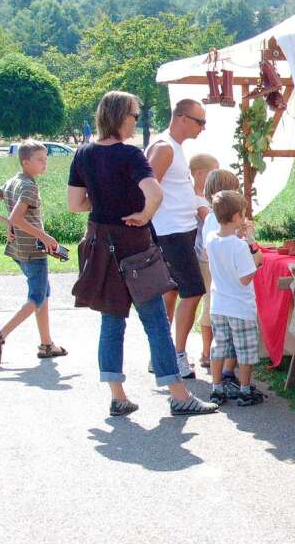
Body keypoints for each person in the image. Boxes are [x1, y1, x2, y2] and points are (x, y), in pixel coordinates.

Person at [67, 91, 217, 417]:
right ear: (122, 116)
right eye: (135, 115)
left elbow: (76, 204)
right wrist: (144, 213)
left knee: (112, 319)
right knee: (155, 322)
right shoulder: (131, 155)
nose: (138, 120)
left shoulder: (83, 155)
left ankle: (117, 395)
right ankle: (178, 395)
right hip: (133, 245)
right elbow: (154, 192)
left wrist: (106, 200)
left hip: (100, 243)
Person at [0, 141, 67, 363]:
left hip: (18, 248)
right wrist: (44, 236)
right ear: (25, 162)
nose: (45, 163)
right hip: (33, 250)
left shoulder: (12, 182)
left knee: (43, 293)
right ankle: (0, 335)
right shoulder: (28, 186)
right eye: (40, 160)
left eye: (46, 159)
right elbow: (17, 218)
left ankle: (47, 344)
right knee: (37, 297)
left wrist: (6, 223)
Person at [146, 99, 208, 379]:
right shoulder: (164, 147)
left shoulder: (173, 147)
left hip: (177, 229)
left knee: (170, 292)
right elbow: (148, 187)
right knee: (192, 291)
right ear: (182, 118)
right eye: (200, 121)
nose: (202, 128)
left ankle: (162, 354)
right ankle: (177, 355)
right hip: (170, 232)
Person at [204, 190, 265, 407]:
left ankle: (216, 386)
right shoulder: (239, 247)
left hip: (219, 304)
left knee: (220, 346)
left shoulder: (211, 239)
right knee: (245, 349)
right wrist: (256, 259)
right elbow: (245, 278)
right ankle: (245, 389)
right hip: (240, 306)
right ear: (237, 217)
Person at [198, 168, 244, 395]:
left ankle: (220, 373)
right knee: (228, 327)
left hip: (219, 277)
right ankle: (227, 372)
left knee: (218, 320)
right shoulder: (215, 221)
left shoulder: (210, 218)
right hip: (225, 280)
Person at [189, 153, 220, 369]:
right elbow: (210, 219)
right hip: (204, 256)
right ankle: (207, 352)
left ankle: (208, 350)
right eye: (212, 172)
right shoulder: (198, 200)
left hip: (201, 254)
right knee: (210, 302)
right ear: (199, 173)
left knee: (205, 301)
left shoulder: (197, 196)